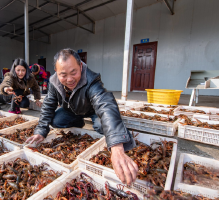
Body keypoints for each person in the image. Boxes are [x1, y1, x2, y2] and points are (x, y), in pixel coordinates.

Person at [26, 48, 138, 185]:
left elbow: (105, 105)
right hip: (72, 110)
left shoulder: (91, 79)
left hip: (92, 110)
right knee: (56, 120)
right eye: (63, 75)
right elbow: (48, 105)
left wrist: (116, 146)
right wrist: (41, 130)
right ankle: (78, 121)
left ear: (80, 66)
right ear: (56, 72)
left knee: (101, 125)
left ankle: (115, 134)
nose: (69, 79)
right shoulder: (54, 82)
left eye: (74, 72)